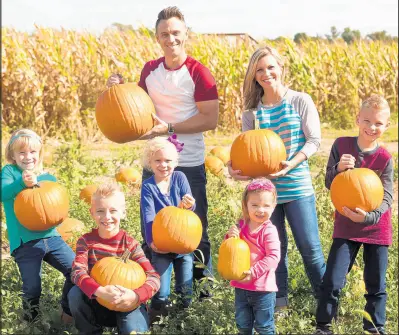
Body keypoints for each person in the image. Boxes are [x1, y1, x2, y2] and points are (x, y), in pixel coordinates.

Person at [106, 6, 219, 291]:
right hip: (155, 161)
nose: (171, 39)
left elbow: (210, 119)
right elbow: (134, 108)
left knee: (194, 228)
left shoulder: (199, 73)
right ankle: (156, 292)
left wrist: (169, 128)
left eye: (176, 33)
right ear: (157, 37)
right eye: (165, 34)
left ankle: (200, 293)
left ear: (186, 34)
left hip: (188, 161)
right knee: (154, 229)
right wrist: (116, 88)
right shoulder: (150, 70)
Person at [228, 46, 326, 309]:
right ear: (253, 76)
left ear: (281, 68)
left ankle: (327, 303)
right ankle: (279, 304)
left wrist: (290, 164)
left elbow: (315, 140)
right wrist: (233, 168)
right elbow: (246, 150)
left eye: (271, 67)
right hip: (264, 196)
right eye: (259, 70)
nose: (266, 73)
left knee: (311, 249)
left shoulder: (299, 100)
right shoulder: (252, 113)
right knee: (274, 251)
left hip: (296, 187)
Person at [314, 95, 393, 335]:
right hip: (347, 225)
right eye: (367, 121)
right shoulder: (341, 146)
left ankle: (374, 327)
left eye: (378, 123)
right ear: (358, 119)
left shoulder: (385, 159)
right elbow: (330, 183)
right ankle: (324, 326)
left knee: (375, 284)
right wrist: (338, 169)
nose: (372, 127)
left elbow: (387, 197)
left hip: (376, 228)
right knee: (332, 279)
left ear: (387, 126)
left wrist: (369, 217)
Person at [1, 128, 75, 323]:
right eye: (22, 152)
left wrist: (40, 180)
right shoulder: (9, 173)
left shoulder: (46, 177)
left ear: (39, 154)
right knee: (33, 287)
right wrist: (22, 183)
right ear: (13, 155)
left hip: (52, 237)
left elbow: (54, 198)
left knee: (76, 270)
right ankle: (30, 322)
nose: (28, 157)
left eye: (33, 152)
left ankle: (66, 311)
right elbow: (3, 193)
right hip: (25, 243)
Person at [68, 182, 161, 334]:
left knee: (133, 330)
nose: (107, 217)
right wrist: (100, 291)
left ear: (123, 213)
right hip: (98, 303)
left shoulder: (130, 245)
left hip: (128, 304)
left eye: (113, 211)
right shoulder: (86, 242)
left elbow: (154, 277)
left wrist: (135, 296)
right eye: (100, 211)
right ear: (92, 212)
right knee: (75, 294)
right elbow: (77, 272)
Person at [140, 137, 196, 323]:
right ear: (150, 163)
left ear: (176, 162)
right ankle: (157, 321)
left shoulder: (180, 178)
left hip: (183, 245)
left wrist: (190, 204)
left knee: (185, 291)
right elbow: (148, 216)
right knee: (161, 292)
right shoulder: (148, 186)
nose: (163, 165)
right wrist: (152, 243)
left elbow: (189, 210)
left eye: (168, 161)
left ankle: (184, 321)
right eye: (158, 160)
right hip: (162, 246)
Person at [225, 178, 280, 334]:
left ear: (274, 206)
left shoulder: (268, 230)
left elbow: (273, 257)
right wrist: (230, 236)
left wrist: (254, 272)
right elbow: (231, 250)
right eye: (254, 205)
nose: (260, 210)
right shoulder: (241, 226)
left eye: (266, 206)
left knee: (264, 326)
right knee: (243, 325)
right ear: (246, 205)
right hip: (241, 286)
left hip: (263, 288)